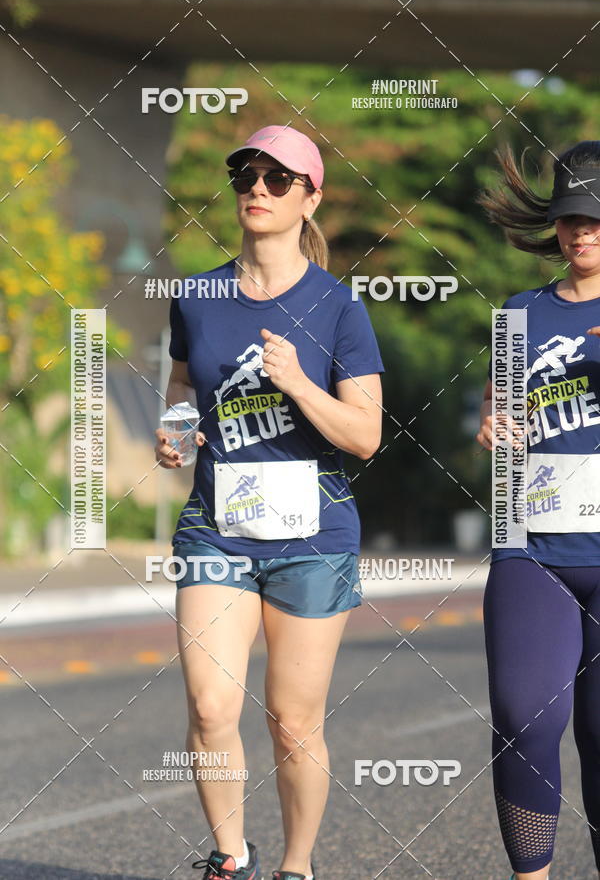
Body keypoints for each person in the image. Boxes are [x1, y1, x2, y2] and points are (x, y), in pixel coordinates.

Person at [154, 125, 385, 880]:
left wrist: (299, 384)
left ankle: (296, 866)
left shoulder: (338, 308)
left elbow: (365, 436)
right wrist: (177, 430)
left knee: (292, 722)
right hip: (216, 526)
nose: (257, 188)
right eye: (246, 175)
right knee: (212, 708)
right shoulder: (197, 296)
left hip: (313, 535)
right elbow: (186, 385)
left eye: (278, 179)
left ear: (309, 197)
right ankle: (231, 857)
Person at [476, 140, 600, 880]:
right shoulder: (519, 316)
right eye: (571, 218)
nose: (582, 232)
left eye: (596, 218)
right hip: (531, 546)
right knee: (525, 718)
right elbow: (498, 412)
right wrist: (490, 425)